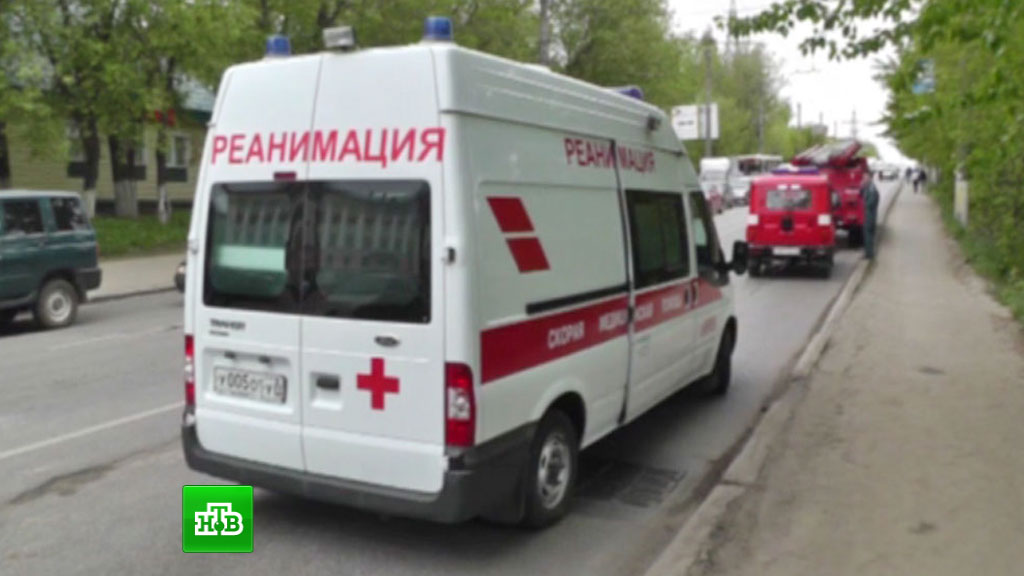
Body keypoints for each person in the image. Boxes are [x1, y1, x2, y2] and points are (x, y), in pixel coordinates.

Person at [860, 172, 881, 259]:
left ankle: (869, 254)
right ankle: (868, 253)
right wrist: (861, 187)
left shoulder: (872, 190)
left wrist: (863, 205)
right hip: (868, 216)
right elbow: (861, 195)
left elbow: (870, 204)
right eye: (863, 178)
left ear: (870, 179)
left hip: (870, 216)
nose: (863, 180)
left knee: (868, 235)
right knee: (867, 235)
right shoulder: (868, 187)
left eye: (865, 178)